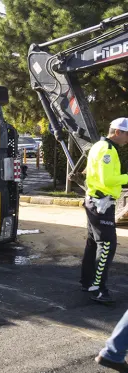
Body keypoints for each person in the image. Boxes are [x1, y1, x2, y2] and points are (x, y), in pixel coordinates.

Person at [80, 117, 128, 304]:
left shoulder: (99, 146)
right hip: (102, 204)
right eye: (127, 135)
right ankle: (99, 289)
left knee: (94, 243)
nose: (127, 140)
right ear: (118, 132)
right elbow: (108, 180)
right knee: (107, 245)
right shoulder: (107, 150)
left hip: (95, 201)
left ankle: (87, 282)